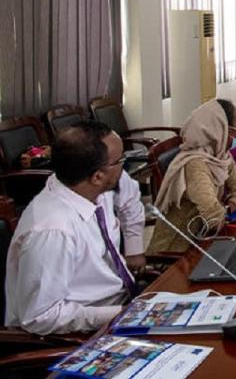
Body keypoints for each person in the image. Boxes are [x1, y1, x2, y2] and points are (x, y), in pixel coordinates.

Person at [5, 121, 145, 334]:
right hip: (82, 332)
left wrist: (135, 248)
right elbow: (40, 316)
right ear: (97, 176)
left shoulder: (88, 184)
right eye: (121, 160)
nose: (124, 165)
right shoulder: (52, 230)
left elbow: (130, 195)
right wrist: (120, 313)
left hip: (121, 300)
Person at [148, 99, 236, 253]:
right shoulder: (195, 164)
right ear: (219, 129)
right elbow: (214, 219)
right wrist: (227, 209)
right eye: (235, 129)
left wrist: (227, 209)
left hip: (203, 242)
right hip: (176, 254)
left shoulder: (221, 156)